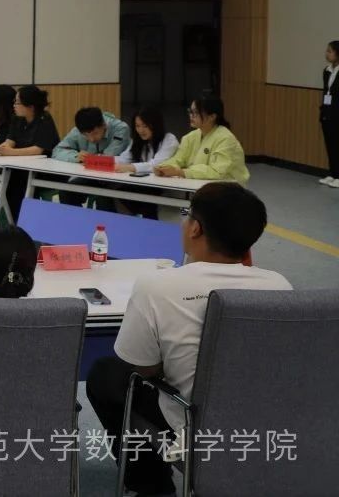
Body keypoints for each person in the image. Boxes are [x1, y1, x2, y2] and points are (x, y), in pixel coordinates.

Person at [86, 183, 291, 496]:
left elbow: (142, 368)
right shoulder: (280, 286)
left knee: (106, 374)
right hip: (268, 425)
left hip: (193, 427)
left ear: (195, 228)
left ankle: (153, 486)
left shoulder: (157, 286)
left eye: (186, 214)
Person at [0, 85, 60, 221]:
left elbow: (38, 149)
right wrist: (0, 148)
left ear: (30, 106)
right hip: (20, 166)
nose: (14, 105)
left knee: (15, 181)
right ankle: (11, 220)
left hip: (42, 170)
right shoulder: (17, 118)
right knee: (5, 177)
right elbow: (10, 140)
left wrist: (10, 152)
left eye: (17, 102)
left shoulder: (44, 119)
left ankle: (22, 221)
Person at [154, 95, 249, 184]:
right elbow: (178, 159)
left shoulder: (226, 139)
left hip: (228, 188)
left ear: (212, 116)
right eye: (190, 111)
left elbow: (216, 171)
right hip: (199, 185)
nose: (191, 115)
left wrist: (181, 172)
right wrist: (163, 167)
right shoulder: (190, 137)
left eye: (196, 112)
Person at [51, 107, 132, 208]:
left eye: (95, 133)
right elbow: (57, 151)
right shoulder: (79, 130)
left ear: (104, 125)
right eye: (86, 135)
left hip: (116, 177)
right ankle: (78, 218)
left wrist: (90, 159)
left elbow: (107, 158)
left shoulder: (120, 129)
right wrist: (76, 156)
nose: (91, 139)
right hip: (91, 175)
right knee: (67, 192)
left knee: (104, 199)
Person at [112, 107, 181, 219]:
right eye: (137, 126)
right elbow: (123, 159)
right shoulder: (137, 141)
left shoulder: (169, 139)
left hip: (166, 188)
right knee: (117, 192)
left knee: (146, 200)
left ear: (155, 125)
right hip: (145, 185)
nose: (141, 130)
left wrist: (130, 167)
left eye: (145, 126)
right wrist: (100, 160)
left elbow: (155, 165)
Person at [320, 40, 339, 187]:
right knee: (330, 144)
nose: (327, 54)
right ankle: (333, 173)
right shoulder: (326, 70)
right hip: (327, 112)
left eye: (330, 51)